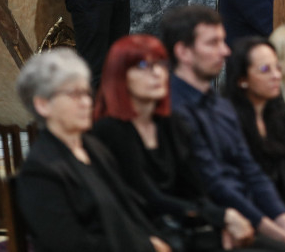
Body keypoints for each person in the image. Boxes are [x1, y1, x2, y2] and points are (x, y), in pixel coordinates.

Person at [160, 5, 285, 250]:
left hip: (247, 214)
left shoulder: (220, 105)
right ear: (183, 52)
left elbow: (252, 172)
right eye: (213, 43)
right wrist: (279, 234)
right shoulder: (172, 108)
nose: (225, 50)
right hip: (210, 223)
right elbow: (214, 184)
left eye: (223, 41)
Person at [92, 34, 256, 251]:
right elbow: (147, 197)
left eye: (161, 64)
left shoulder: (170, 122)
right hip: (142, 237)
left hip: (187, 228)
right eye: (144, 66)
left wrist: (221, 222)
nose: (157, 73)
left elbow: (195, 188)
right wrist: (222, 216)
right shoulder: (110, 130)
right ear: (120, 75)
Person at [15, 48, 171, 252]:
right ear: (43, 105)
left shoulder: (93, 147)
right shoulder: (40, 170)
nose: (86, 103)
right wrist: (146, 247)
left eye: (87, 93)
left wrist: (156, 240)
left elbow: (129, 208)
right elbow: (71, 245)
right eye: (74, 94)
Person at [225, 37, 285, 221]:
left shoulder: (278, 116)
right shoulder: (230, 121)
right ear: (242, 79)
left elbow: (284, 182)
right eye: (265, 70)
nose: (276, 75)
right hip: (249, 215)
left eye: (278, 68)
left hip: (281, 210)